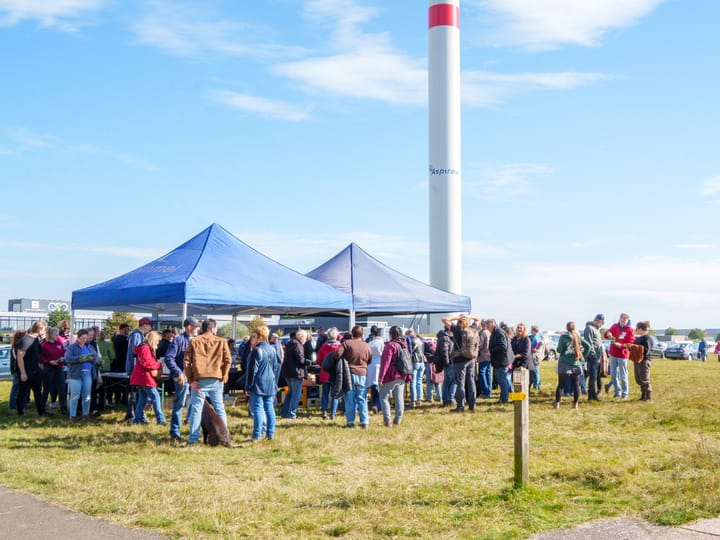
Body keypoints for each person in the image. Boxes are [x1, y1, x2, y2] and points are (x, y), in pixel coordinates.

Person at [184, 318, 232, 445]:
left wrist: (190, 379)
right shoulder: (221, 341)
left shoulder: (194, 341)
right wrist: (225, 375)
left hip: (199, 378)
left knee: (196, 409)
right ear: (213, 328)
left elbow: (187, 361)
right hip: (216, 378)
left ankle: (193, 439)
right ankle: (225, 437)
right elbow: (228, 360)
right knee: (219, 407)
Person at [164, 317, 200, 443]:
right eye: (196, 326)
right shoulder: (179, 341)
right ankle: (175, 432)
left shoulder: (197, 340)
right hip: (183, 378)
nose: (198, 329)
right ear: (189, 327)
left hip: (195, 378)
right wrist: (179, 373)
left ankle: (193, 429)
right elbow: (169, 358)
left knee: (196, 404)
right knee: (179, 405)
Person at [245, 326, 281, 441]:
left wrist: (248, 386)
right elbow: (276, 367)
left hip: (258, 383)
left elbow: (252, 371)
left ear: (260, 337)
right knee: (269, 408)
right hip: (270, 382)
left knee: (258, 409)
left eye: (254, 337)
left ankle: (256, 435)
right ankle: (270, 434)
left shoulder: (257, 350)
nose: (252, 339)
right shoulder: (272, 349)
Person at [441, 314, 480, 412]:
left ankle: (460, 406)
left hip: (459, 360)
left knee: (460, 384)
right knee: (471, 383)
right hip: (471, 359)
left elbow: (444, 319)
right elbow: (478, 319)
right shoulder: (472, 329)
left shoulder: (457, 330)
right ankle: (472, 405)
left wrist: (457, 318)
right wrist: (469, 317)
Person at [336, 325, 372, 428]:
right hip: (362, 373)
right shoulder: (366, 345)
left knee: (349, 398)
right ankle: (364, 421)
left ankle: (350, 421)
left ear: (352, 333)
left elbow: (337, 354)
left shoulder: (347, 343)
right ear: (362, 334)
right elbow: (369, 359)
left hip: (349, 373)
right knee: (362, 398)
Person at [130, 330, 166, 425]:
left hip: (140, 377)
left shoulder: (143, 347)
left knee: (143, 398)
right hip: (145, 377)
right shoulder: (146, 348)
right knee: (156, 397)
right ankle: (160, 419)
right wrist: (158, 365)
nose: (158, 342)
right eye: (158, 340)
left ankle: (138, 419)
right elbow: (146, 363)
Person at [378, 325, 411, 426]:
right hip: (402, 374)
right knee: (399, 398)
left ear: (391, 334)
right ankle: (398, 420)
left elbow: (385, 362)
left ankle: (387, 420)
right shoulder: (404, 344)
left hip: (390, 375)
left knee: (384, 397)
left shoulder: (390, 345)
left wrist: (381, 377)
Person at [64, 328, 99, 421]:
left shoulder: (89, 347)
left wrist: (94, 360)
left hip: (87, 372)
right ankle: (73, 415)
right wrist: (81, 358)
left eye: (86, 338)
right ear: (78, 338)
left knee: (87, 395)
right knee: (75, 395)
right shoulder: (72, 347)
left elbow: (95, 357)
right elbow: (67, 359)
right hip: (75, 374)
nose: (84, 340)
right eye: (82, 338)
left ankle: (86, 414)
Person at [554, 322, 590, 410]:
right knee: (576, 385)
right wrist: (582, 355)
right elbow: (588, 346)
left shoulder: (563, 337)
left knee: (561, 385)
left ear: (566, 328)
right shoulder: (578, 336)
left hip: (564, 362)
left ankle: (557, 403)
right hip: (576, 363)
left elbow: (559, 350)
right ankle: (575, 404)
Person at [124, 317, 154, 422]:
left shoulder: (138, 335)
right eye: (150, 325)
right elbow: (135, 353)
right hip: (135, 369)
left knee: (138, 393)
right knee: (134, 393)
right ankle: (132, 415)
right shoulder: (136, 335)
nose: (151, 328)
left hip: (135, 368)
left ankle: (136, 414)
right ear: (144, 325)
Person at [16, 321, 48, 417]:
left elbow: (40, 353)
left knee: (38, 392)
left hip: (36, 369)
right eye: (43, 329)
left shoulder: (36, 340)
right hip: (27, 370)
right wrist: (22, 372)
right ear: (39, 329)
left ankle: (41, 412)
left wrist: (43, 340)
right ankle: (20, 412)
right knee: (23, 392)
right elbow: (20, 356)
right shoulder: (26, 340)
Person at [604, 313, 635, 399]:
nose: (623, 323)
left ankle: (625, 394)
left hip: (623, 355)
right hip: (613, 353)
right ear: (620, 319)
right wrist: (608, 333)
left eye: (625, 321)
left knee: (623, 375)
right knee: (613, 375)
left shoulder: (630, 330)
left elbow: (630, 343)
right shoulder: (614, 326)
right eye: (622, 321)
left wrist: (621, 345)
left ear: (627, 321)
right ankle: (617, 392)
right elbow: (605, 335)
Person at [280, 329, 309, 420]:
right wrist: (309, 362)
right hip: (296, 373)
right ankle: (292, 414)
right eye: (305, 337)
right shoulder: (298, 345)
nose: (306, 339)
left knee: (290, 393)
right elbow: (300, 360)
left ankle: (285, 413)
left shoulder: (289, 343)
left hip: (287, 372)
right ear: (300, 337)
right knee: (296, 394)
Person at [40, 327, 67, 415]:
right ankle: (42, 408)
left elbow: (63, 353)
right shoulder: (44, 345)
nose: (57, 336)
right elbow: (40, 357)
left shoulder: (59, 343)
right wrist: (49, 361)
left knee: (61, 387)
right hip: (48, 369)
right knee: (47, 388)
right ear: (50, 335)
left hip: (59, 367)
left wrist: (62, 358)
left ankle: (63, 408)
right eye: (56, 334)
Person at [316, 327, 342, 420]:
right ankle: (333, 413)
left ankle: (324, 411)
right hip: (336, 373)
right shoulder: (340, 347)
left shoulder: (323, 347)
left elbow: (318, 361)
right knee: (335, 394)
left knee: (325, 393)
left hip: (325, 373)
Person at [488, 319, 512, 404]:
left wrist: (491, 351)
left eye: (488, 326)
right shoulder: (496, 332)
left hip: (502, 361)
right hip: (500, 361)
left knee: (503, 381)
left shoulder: (499, 332)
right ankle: (509, 397)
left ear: (492, 325)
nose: (487, 328)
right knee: (505, 381)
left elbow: (503, 346)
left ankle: (504, 399)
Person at [583, 314, 605, 401]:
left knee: (595, 377)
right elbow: (588, 343)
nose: (602, 324)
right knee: (592, 377)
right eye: (602, 322)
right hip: (592, 357)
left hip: (597, 357)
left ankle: (593, 394)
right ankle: (592, 396)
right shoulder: (589, 328)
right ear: (598, 320)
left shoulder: (597, 329)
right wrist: (594, 354)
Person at [436, 325, 457, 407]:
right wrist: (448, 363)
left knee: (447, 382)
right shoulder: (445, 338)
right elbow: (444, 352)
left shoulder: (444, 338)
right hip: (449, 363)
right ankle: (450, 399)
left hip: (447, 363)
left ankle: (446, 400)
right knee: (454, 381)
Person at [633, 321, 653, 401]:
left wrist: (637, 349)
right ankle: (643, 395)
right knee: (639, 379)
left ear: (641, 329)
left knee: (645, 379)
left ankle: (648, 397)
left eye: (637, 328)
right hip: (637, 360)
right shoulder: (639, 338)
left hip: (644, 361)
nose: (636, 330)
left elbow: (646, 350)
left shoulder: (647, 338)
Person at [366, 326, 384, 413]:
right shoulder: (382, 343)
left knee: (373, 386)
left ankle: (374, 403)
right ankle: (377, 404)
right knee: (380, 386)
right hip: (380, 364)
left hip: (371, 365)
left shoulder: (370, 343)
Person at [407, 330, 426, 408]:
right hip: (422, 361)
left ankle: (413, 400)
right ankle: (419, 399)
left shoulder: (411, 341)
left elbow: (409, 352)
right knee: (419, 381)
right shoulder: (420, 340)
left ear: (409, 334)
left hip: (415, 361)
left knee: (413, 382)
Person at [477, 319, 493, 398]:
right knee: (488, 373)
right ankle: (489, 390)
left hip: (483, 355)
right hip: (489, 355)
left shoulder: (483, 332)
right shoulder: (490, 332)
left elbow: (480, 345)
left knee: (482, 373)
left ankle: (486, 391)